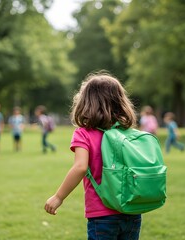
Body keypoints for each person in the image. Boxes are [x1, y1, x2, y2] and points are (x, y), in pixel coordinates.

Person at [44, 72, 142, 240]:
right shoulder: (128, 133)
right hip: (131, 210)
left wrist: (59, 197)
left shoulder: (84, 134)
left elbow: (80, 167)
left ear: (86, 102)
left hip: (102, 214)